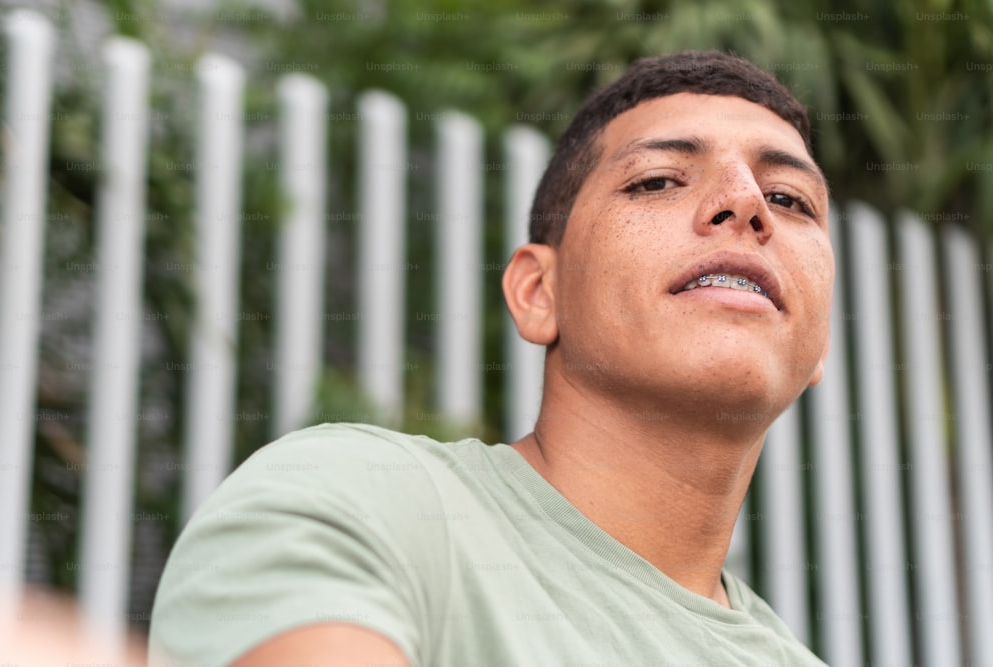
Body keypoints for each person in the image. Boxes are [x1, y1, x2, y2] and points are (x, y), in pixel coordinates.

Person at [149, 50, 832, 666]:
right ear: (539, 291)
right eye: (656, 180)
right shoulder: (367, 502)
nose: (745, 202)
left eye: (788, 199)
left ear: (821, 341)